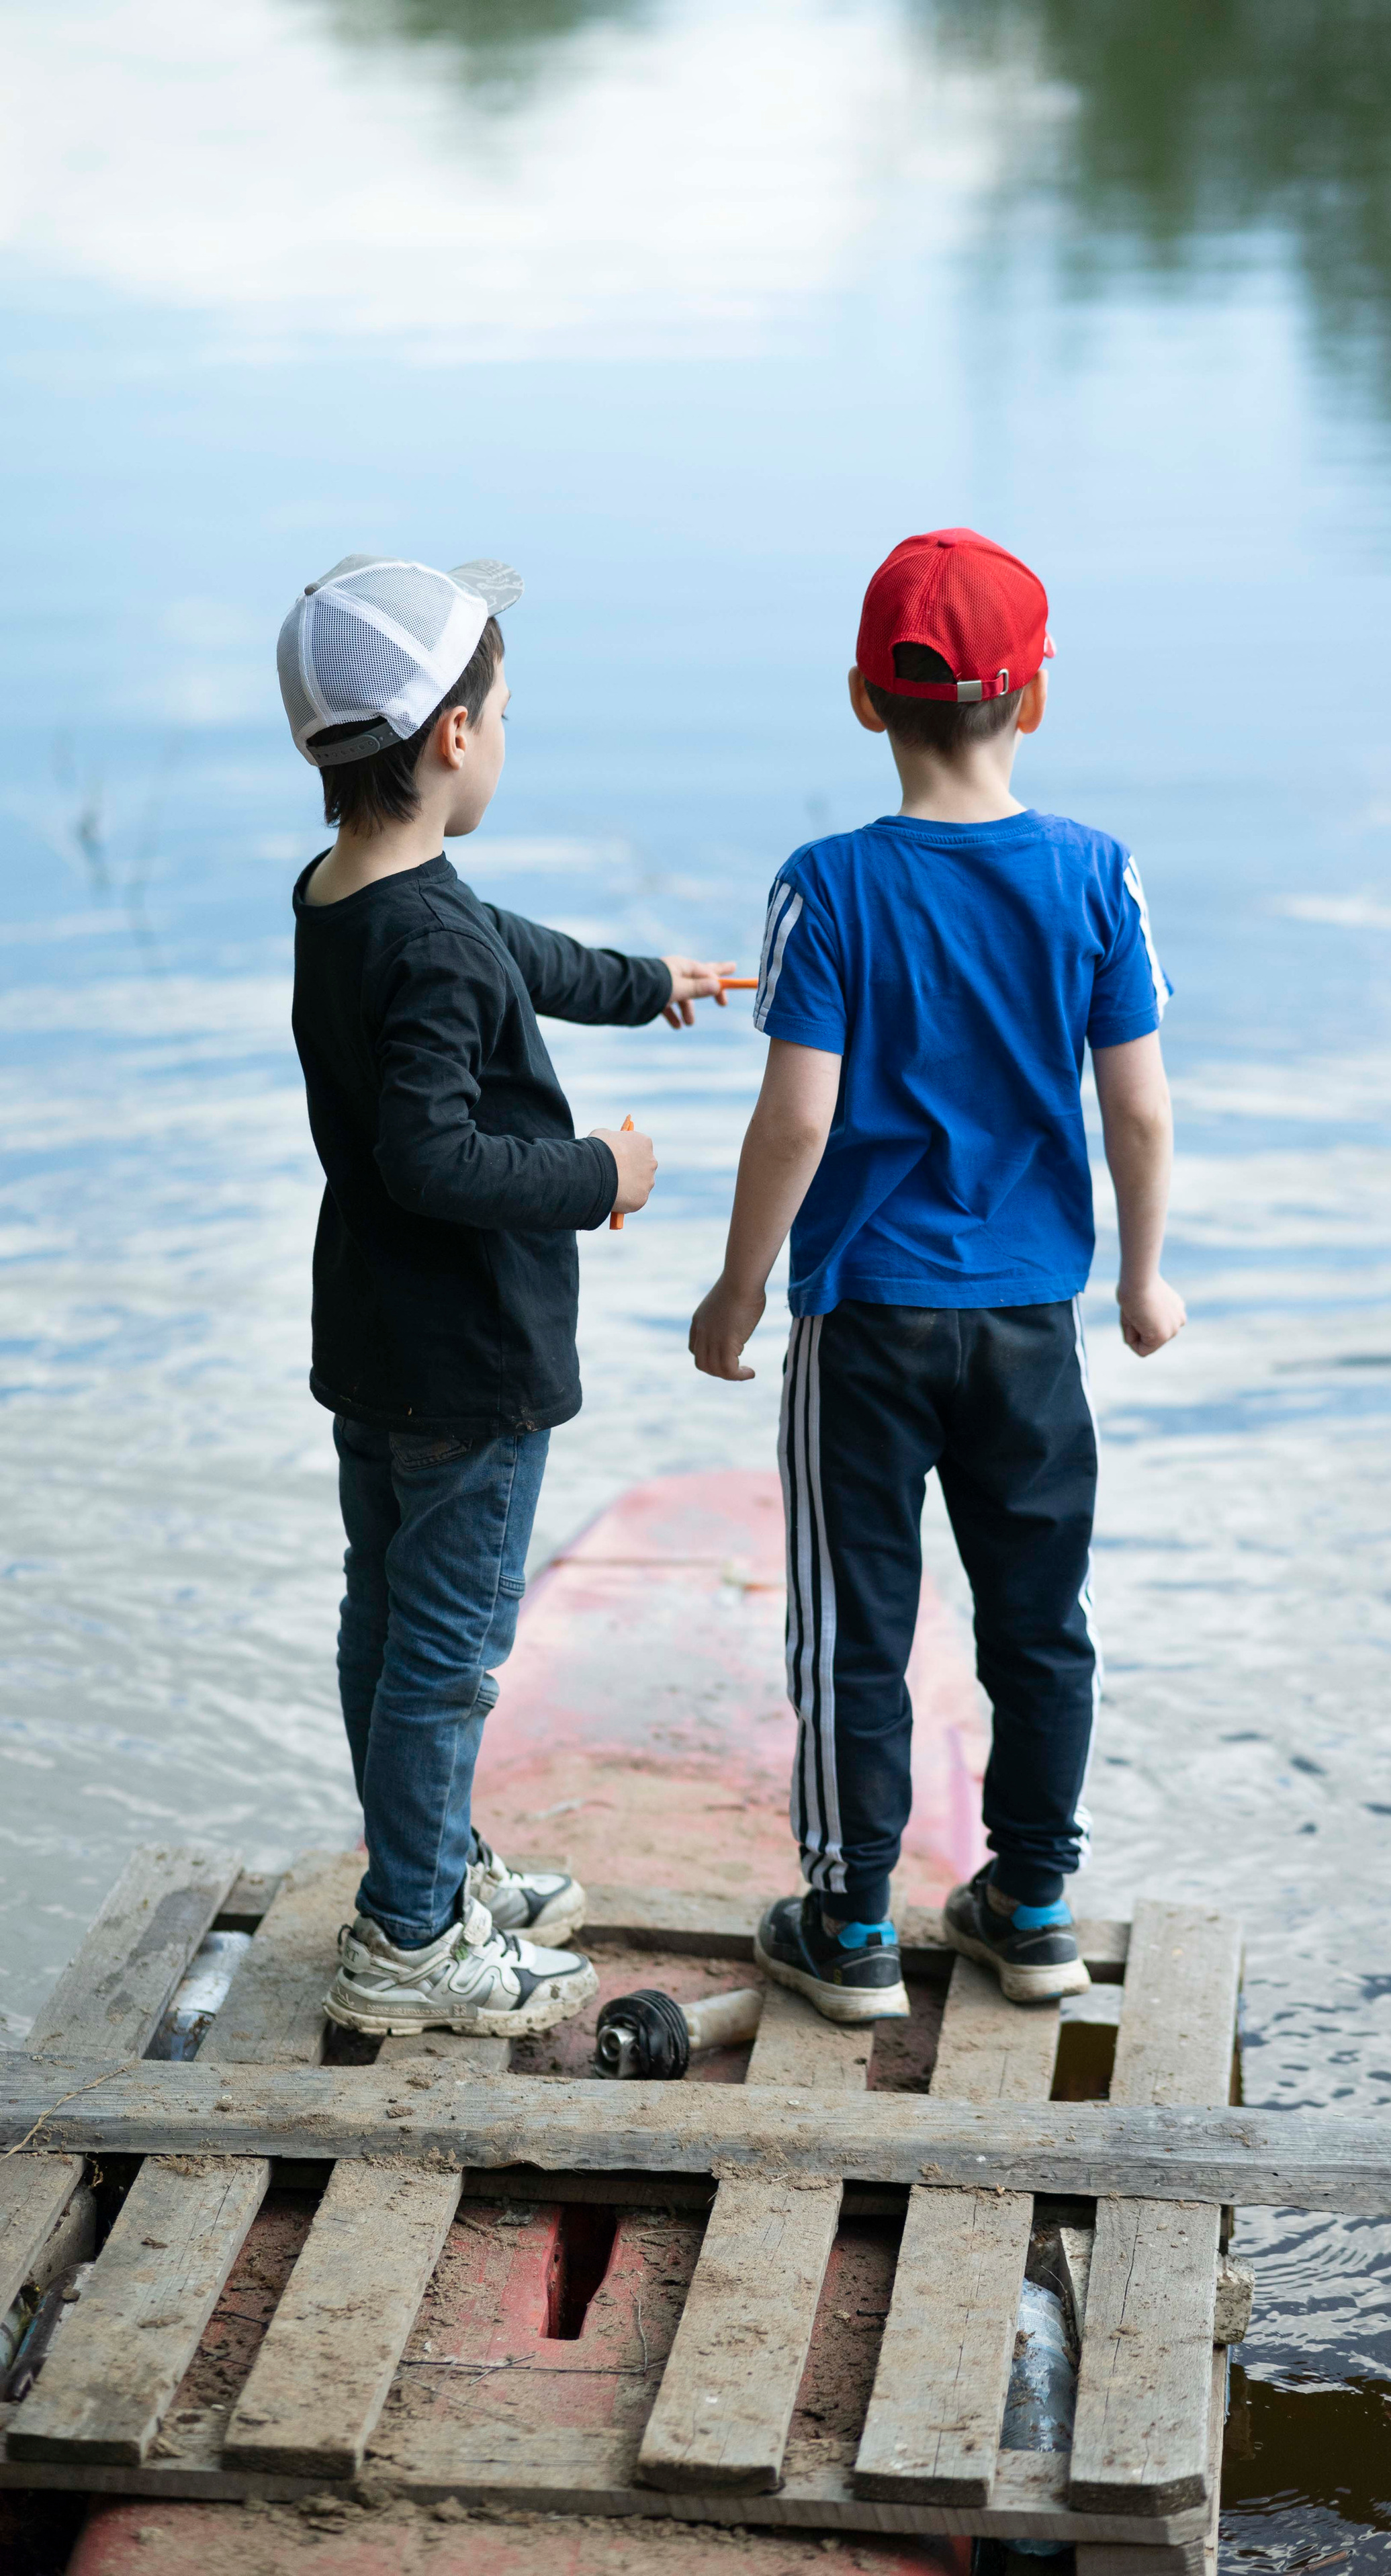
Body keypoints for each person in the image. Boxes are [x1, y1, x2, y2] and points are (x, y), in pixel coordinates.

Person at [689, 527, 1185, 2022]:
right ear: (1033, 699)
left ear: (864, 699)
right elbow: (1138, 1109)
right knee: (1038, 1620)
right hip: (1030, 1325)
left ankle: (849, 1925)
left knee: (856, 1626)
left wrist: (737, 1288)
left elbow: (797, 1119)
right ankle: (1030, 1904)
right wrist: (1143, 1280)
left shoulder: (826, 886)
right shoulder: (1097, 875)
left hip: (866, 1318)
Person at [280, 553, 731, 2035]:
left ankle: (426, 1864)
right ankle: (412, 1939)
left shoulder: (352, 896)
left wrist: (643, 980)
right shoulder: (425, 938)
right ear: (455, 736)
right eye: (503, 711)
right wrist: (601, 1173)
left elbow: (504, 951)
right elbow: (430, 1155)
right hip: (467, 1364)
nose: (503, 733)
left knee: (387, 1620)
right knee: (448, 1654)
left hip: (375, 1339)